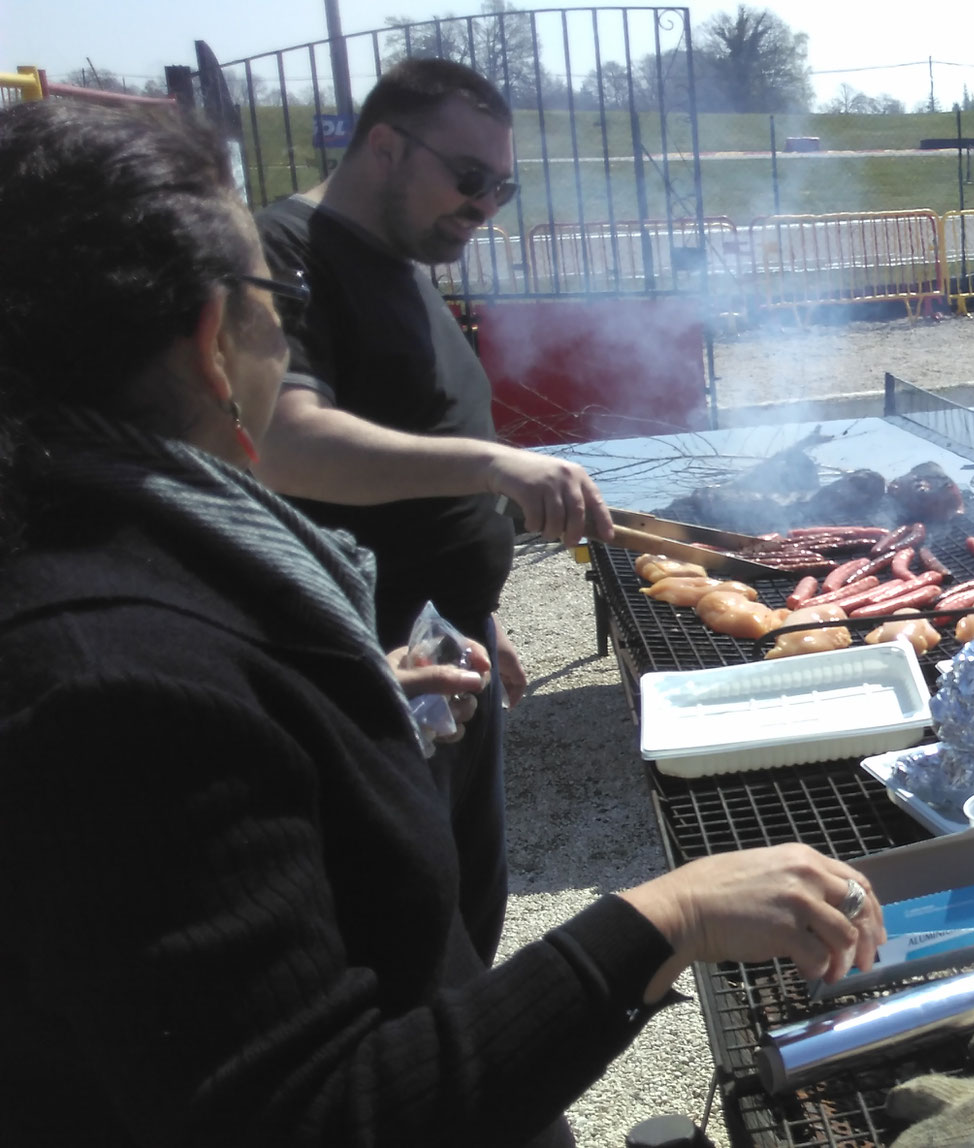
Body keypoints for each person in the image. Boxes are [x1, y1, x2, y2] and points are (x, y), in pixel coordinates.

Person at [0, 99, 881, 1148]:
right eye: (273, 297)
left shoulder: (93, 559)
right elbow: (314, 1113)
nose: (286, 325)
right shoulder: (114, 688)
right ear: (209, 342)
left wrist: (339, 701)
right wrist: (670, 914)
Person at [253, 58, 614, 962]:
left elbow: (414, 442)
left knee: (464, 908)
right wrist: (498, 466)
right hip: (366, 667)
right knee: (399, 936)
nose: (487, 204)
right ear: (385, 146)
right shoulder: (287, 254)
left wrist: (476, 603)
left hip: (449, 643)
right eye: (468, 177)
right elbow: (285, 438)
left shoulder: (407, 258)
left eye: (504, 185)